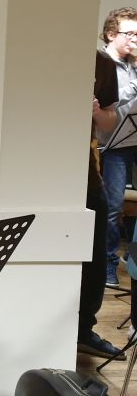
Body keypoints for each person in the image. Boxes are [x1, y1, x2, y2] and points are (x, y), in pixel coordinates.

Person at [77, 34, 126, 359]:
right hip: (35, 167)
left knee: (93, 256)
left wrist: (95, 112)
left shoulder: (102, 63)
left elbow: (109, 120)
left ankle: (83, 329)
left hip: (85, 171)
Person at [95, 7, 137, 289]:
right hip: (113, 144)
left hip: (134, 139)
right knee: (113, 208)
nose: (135, 39)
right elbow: (108, 102)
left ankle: (132, 262)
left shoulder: (134, 64)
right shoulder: (103, 64)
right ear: (111, 34)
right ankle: (108, 266)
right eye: (129, 33)